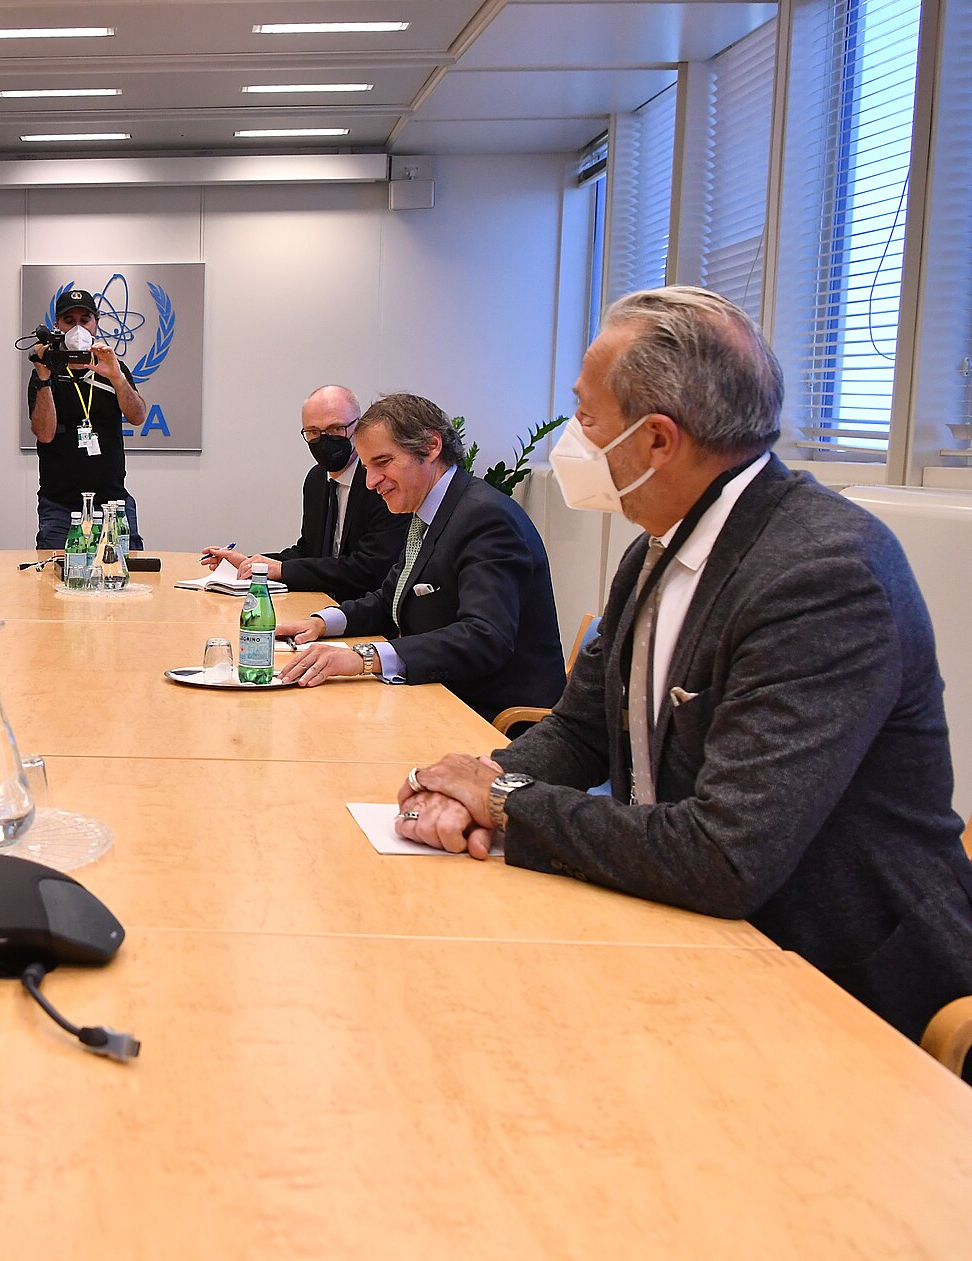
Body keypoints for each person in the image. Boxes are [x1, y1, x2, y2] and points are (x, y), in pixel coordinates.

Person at [393, 286, 972, 1046]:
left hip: (841, 988)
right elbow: (577, 734)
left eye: (588, 417)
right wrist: (467, 791)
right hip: (696, 937)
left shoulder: (824, 573)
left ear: (658, 440)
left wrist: (501, 798)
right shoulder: (656, 547)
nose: (574, 438)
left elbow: (725, 855)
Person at [278, 393, 565, 723]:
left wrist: (364, 658)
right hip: (438, 696)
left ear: (430, 447)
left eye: (382, 463)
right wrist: (321, 623)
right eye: (368, 467)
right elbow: (390, 601)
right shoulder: (430, 511)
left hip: (492, 720)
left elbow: (483, 637)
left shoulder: (486, 518)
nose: (371, 482)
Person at [200, 384, 410, 598]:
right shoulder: (316, 479)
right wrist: (252, 563)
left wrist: (282, 570)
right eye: (313, 432)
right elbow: (308, 552)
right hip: (319, 606)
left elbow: (370, 570)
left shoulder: (380, 483)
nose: (324, 439)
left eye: (336, 428)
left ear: (359, 426)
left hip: (369, 613)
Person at [27, 288, 146, 549]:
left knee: (126, 579)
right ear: (57, 325)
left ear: (96, 323)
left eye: (85, 320)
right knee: (51, 584)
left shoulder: (113, 366)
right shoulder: (46, 372)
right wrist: (45, 378)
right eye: (69, 321)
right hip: (60, 506)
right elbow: (44, 433)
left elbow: (137, 416)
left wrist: (116, 376)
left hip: (113, 503)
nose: (78, 328)